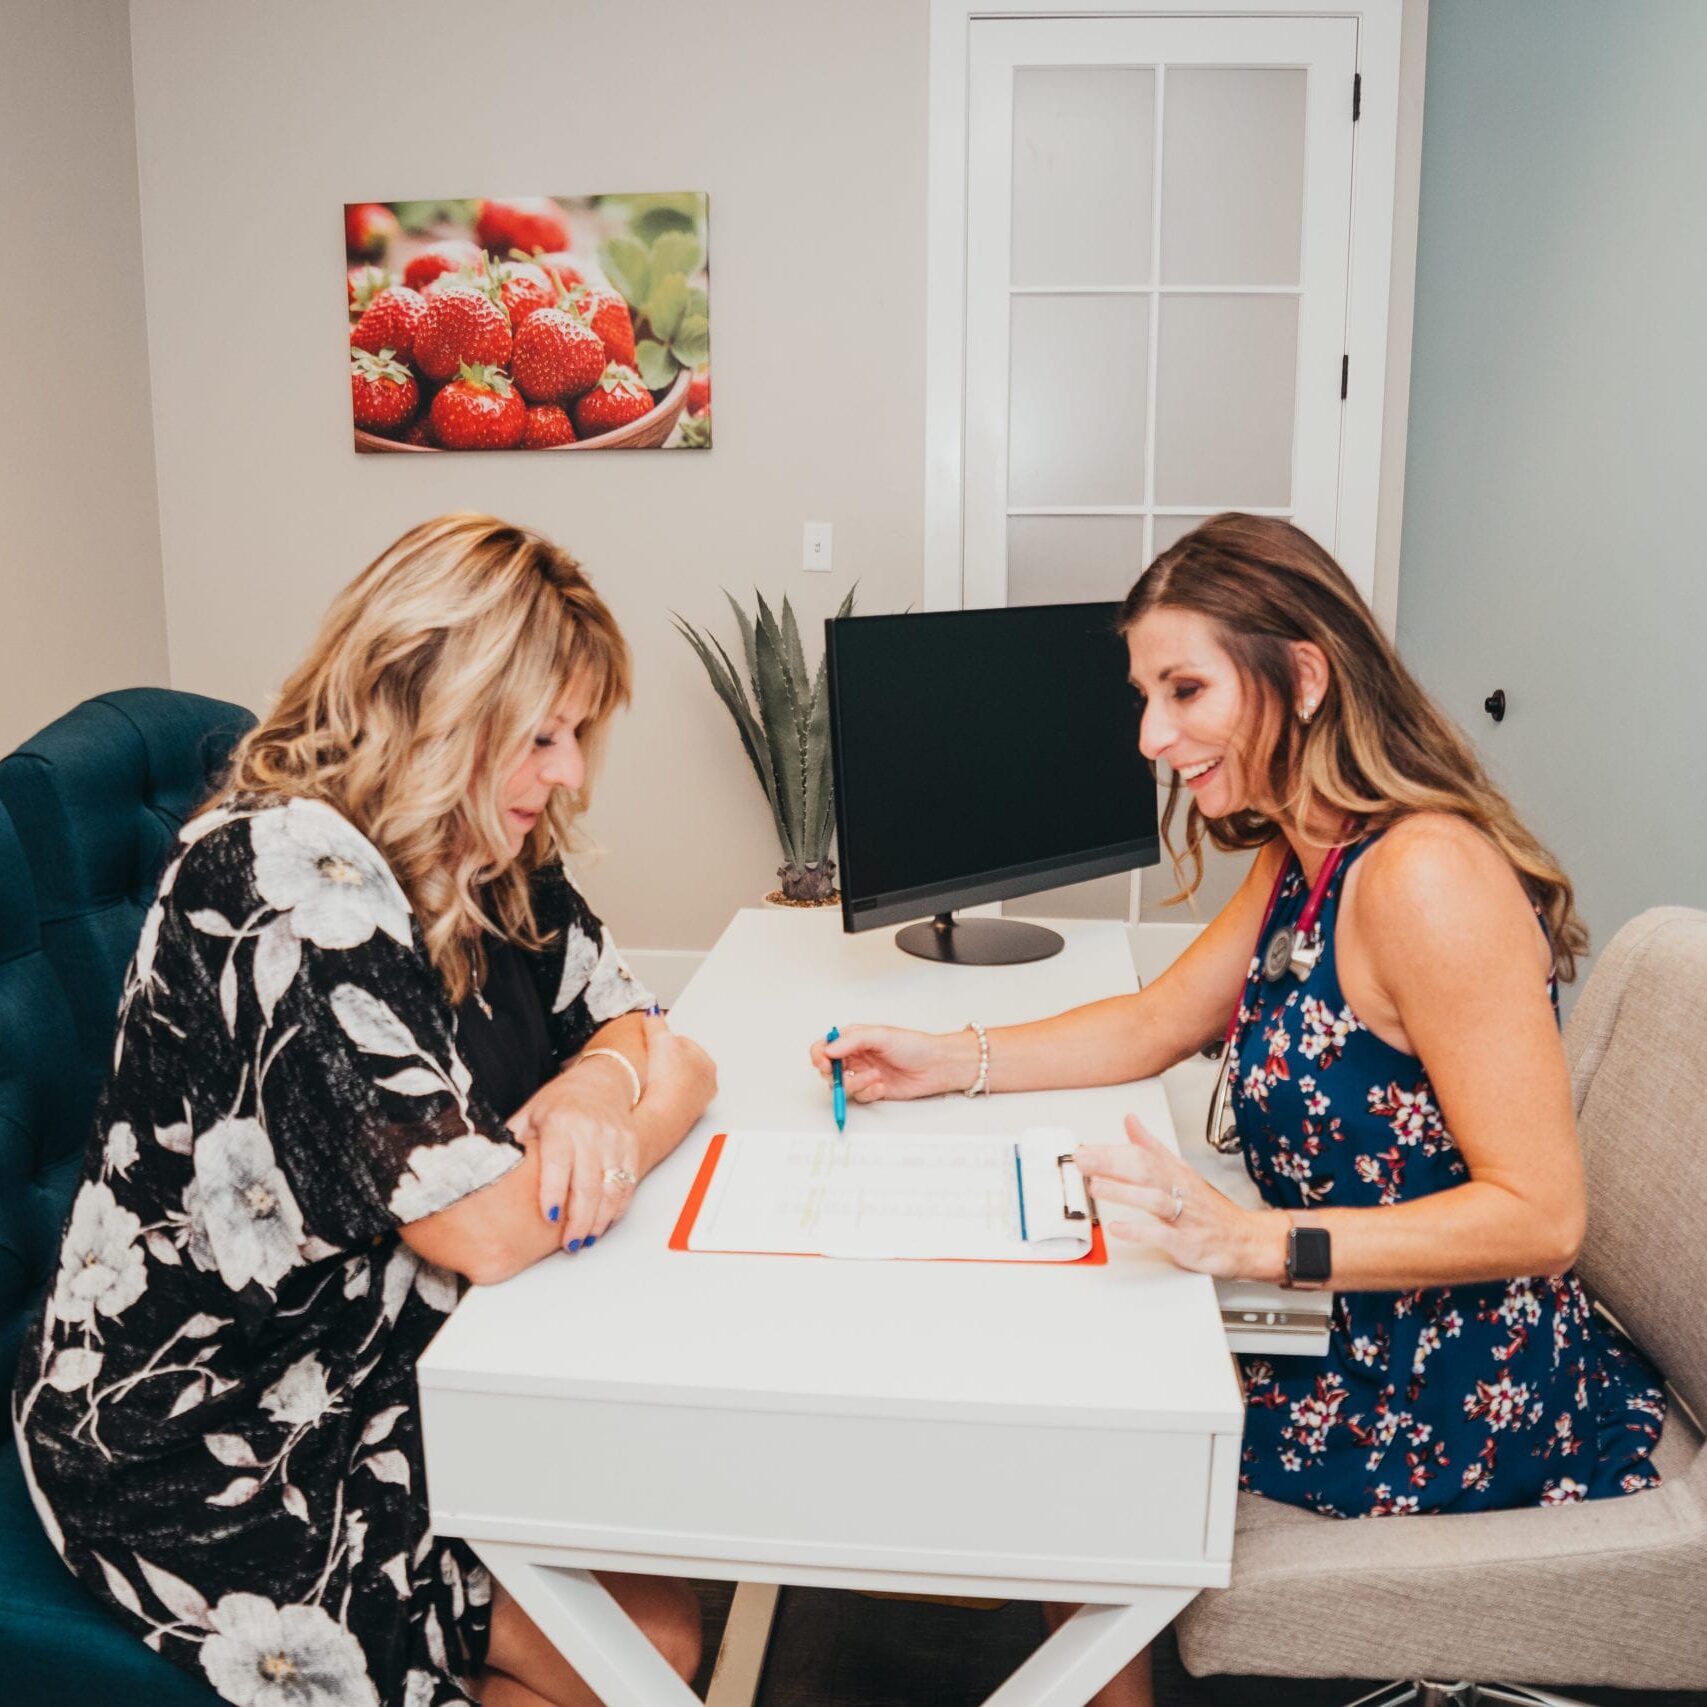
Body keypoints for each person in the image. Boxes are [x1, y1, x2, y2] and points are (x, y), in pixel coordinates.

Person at [810, 513, 1664, 1705]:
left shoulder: (1425, 877)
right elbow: (1156, 1022)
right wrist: (949, 1058)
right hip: (1340, 1327)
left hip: (1448, 1381)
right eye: (1144, 696)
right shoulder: (1309, 851)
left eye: (1185, 690)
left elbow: (1543, 1216)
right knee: (1061, 1376)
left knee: (1072, 1441)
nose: (1153, 737)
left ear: (1302, 674)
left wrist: (1252, 1241)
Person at [12, 514, 713, 1707]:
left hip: (387, 1351)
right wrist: (606, 1145)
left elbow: (668, 1046)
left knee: (659, 1557)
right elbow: (483, 1230)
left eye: (581, 733)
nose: (571, 772)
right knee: (642, 1638)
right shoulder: (282, 871)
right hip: (217, 1424)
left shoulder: (484, 840)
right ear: (432, 703)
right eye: (541, 734)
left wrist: (594, 1095)